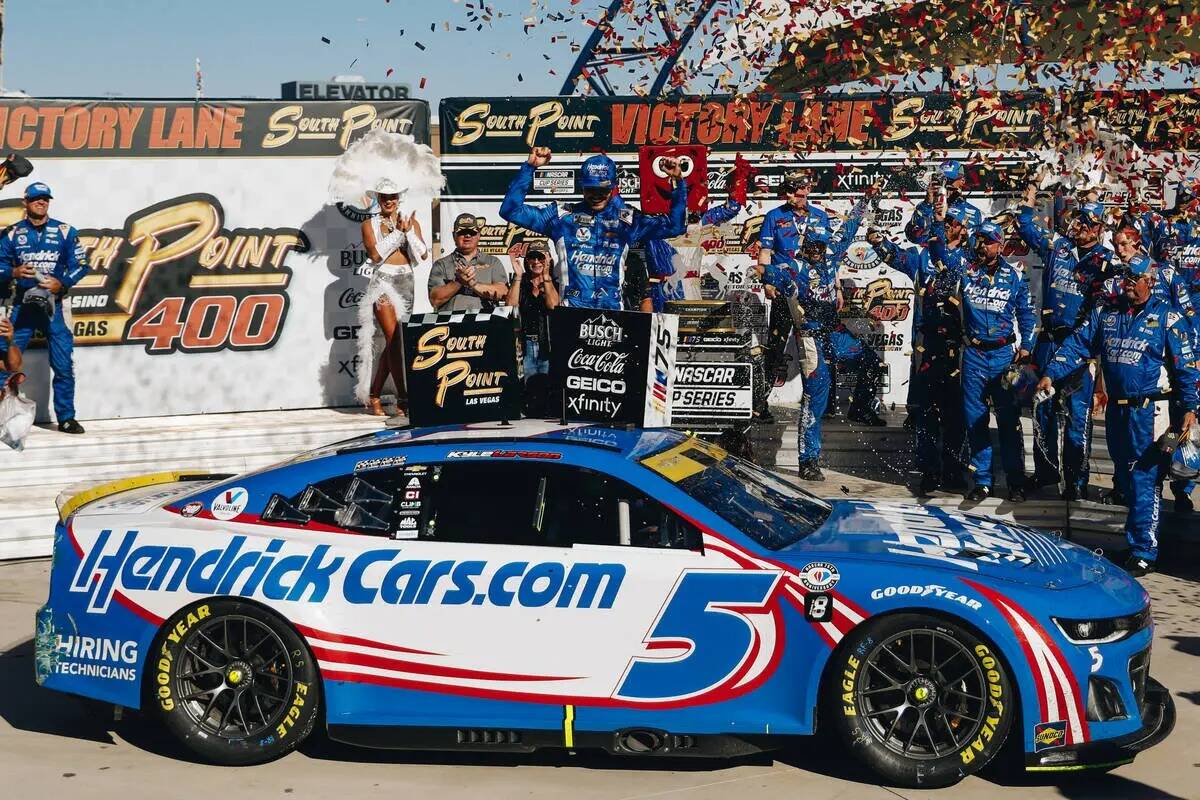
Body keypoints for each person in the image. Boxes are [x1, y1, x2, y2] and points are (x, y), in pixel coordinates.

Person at [1036, 256, 1199, 577]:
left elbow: (1187, 365)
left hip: (1151, 409)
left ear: (1149, 282)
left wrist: (1191, 407)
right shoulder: (1105, 313)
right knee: (1125, 478)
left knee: (1144, 477)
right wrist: (1050, 374)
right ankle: (1135, 540)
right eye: (1124, 277)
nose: (1126, 282)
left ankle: (1144, 550)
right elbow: (1077, 346)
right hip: (1117, 409)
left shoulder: (1169, 317)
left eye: (1133, 278)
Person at [1015, 186, 1114, 499]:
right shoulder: (1058, 247)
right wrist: (1029, 199)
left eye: (1087, 224)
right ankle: (1045, 473)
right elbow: (1026, 227)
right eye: (1079, 221)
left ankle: (1076, 482)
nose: (1080, 227)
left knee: (1077, 418)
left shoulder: (1106, 262)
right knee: (1042, 411)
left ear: (1099, 228)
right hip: (1048, 340)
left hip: (1079, 347)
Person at [500, 147, 687, 310]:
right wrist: (530, 167)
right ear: (582, 187)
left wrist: (678, 182)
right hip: (571, 311)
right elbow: (511, 210)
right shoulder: (561, 217)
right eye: (591, 189)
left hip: (612, 312)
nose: (596, 195)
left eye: (602, 190)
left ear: (613, 187)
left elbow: (675, 226)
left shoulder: (627, 220)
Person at [871, 204, 972, 495]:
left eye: (953, 222)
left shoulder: (968, 258)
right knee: (926, 412)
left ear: (962, 228)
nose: (950, 226)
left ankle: (954, 471)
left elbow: (962, 280)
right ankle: (929, 471)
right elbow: (895, 256)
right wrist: (880, 243)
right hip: (926, 343)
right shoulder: (922, 255)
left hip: (959, 345)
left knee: (956, 414)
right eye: (947, 221)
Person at [0, 182, 89, 433]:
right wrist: (13, 271)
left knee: (63, 364)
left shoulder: (65, 231)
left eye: (45, 199)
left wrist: (63, 283)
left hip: (55, 306)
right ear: (25, 202)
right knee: (5, 358)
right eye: (36, 199)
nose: (41, 202)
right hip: (22, 305)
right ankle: (4, 417)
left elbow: (82, 265)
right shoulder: (12, 233)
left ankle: (66, 418)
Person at [958, 221, 1036, 501]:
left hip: (1004, 356)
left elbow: (1027, 314)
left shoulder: (1014, 275)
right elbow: (941, 251)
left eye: (988, 241)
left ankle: (1015, 482)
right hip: (975, 355)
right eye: (979, 240)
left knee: (1008, 421)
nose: (983, 246)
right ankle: (982, 481)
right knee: (976, 421)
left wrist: (1027, 346)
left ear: (1000, 245)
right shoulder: (965, 270)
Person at [358, 178, 429, 416]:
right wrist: (398, 232)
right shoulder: (369, 223)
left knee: (395, 344)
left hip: (406, 282)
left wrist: (408, 232)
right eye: (384, 197)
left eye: (393, 196)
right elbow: (376, 255)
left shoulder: (411, 221)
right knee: (395, 341)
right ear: (377, 199)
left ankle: (375, 394)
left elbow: (423, 255)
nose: (389, 201)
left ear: (399, 198)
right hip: (383, 283)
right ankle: (404, 398)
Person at [511, 240, 560, 417]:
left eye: (541, 257)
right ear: (527, 260)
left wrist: (546, 277)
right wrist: (517, 276)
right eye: (532, 257)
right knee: (526, 390)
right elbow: (511, 306)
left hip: (547, 344)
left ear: (548, 259)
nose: (537, 262)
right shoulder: (520, 282)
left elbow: (553, 306)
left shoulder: (555, 281)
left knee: (548, 388)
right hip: (524, 345)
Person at [428, 213, 512, 313]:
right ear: (454, 235)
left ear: (478, 235)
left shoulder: (493, 262)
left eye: (471, 232)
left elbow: (503, 293)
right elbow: (435, 300)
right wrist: (458, 282)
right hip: (451, 324)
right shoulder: (441, 264)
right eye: (462, 232)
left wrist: (473, 284)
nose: (467, 235)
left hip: (485, 323)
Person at [905, 159, 984, 246]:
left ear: (962, 181)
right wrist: (927, 203)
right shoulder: (927, 207)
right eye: (941, 181)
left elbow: (970, 244)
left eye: (949, 181)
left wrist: (948, 215)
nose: (944, 185)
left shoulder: (973, 212)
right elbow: (914, 237)